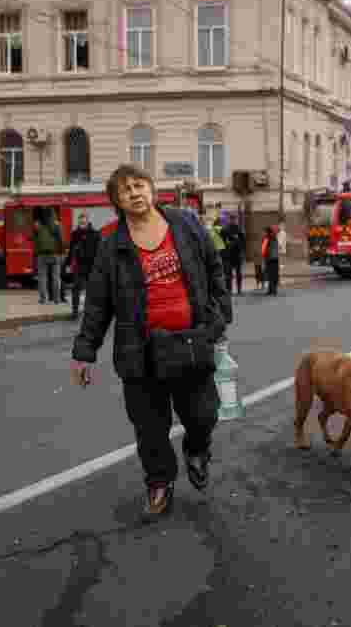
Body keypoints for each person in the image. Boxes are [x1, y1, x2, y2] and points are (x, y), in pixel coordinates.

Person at [71, 164, 231, 518]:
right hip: (139, 353)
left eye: (139, 185)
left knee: (203, 414)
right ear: (117, 200)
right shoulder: (111, 245)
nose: (135, 192)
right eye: (125, 189)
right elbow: (98, 302)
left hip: (191, 342)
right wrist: (84, 353)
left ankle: (196, 450)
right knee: (150, 427)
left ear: (152, 189)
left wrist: (219, 318)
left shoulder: (186, 225)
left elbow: (213, 268)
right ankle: (160, 481)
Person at [65, 212, 100, 320]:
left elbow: (100, 250)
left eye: (84, 220)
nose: (82, 222)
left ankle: (90, 313)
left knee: (92, 291)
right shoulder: (75, 234)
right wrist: (67, 264)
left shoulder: (95, 234)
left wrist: (99, 265)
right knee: (76, 288)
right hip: (79, 266)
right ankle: (75, 312)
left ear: (87, 221)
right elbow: (71, 249)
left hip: (92, 266)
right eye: (80, 221)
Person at [32, 207, 63, 304]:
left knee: (42, 277)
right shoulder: (57, 225)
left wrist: (36, 252)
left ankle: (43, 299)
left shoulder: (37, 225)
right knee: (56, 277)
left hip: (41, 255)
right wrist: (61, 252)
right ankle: (57, 299)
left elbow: (35, 240)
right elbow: (60, 240)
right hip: (54, 254)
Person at [219, 212, 245, 295]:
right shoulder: (225, 229)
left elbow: (242, 240)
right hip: (228, 254)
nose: (233, 220)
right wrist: (229, 243)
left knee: (238, 273)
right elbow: (222, 238)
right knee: (228, 274)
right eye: (232, 219)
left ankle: (239, 289)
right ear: (229, 220)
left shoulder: (239, 229)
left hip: (237, 254)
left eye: (234, 219)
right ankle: (229, 290)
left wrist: (236, 243)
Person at [262, 224, 280, 296]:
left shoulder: (267, 238)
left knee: (270, 275)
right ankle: (273, 289)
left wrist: (263, 257)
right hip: (275, 258)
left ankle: (271, 290)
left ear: (267, 232)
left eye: (264, 232)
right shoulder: (274, 238)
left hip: (269, 258)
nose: (263, 233)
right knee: (274, 274)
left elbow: (264, 249)